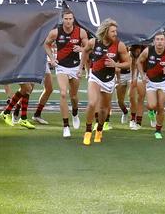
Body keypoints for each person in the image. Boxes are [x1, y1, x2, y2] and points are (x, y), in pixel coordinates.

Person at [81, 19, 131, 145]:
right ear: (105, 31)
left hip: (109, 80)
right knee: (92, 103)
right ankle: (87, 132)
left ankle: (99, 129)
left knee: (104, 109)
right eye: (113, 31)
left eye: (116, 31)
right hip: (95, 76)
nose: (115, 33)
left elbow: (128, 63)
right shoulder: (94, 42)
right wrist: (82, 67)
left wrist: (116, 64)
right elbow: (85, 51)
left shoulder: (119, 45)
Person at [43, 10, 87, 138]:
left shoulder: (81, 32)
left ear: (73, 19)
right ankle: (66, 126)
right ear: (62, 19)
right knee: (63, 93)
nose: (68, 21)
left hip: (75, 67)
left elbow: (88, 49)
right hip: (61, 66)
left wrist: (82, 49)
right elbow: (46, 44)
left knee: (73, 96)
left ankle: (75, 113)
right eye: (66, 19)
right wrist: (51, 58)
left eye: (70, 19)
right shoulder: (55, 32)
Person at [138, 32, 165, 140]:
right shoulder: (148, 51)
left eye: (162, 39)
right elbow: (139, 61)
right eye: (157, 39)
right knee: (152, 105)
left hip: (163, 82)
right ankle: (150, 111)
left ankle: (158, 130)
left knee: (161, 107)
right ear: (154, 41)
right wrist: (142, 75)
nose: (159, 42)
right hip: (151, 82)